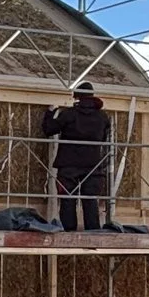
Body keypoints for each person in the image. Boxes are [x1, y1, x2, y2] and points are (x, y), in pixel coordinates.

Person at [42, 80, 113, 232]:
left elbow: (49, 129)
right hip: (93, 164)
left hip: (69, 163)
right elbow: (103, 138)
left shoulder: (69, 114)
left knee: (68, 198)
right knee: (90, 199)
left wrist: (50, 113)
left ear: (77, 97)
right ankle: (92, 231)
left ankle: (69, 231)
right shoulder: (102, 117)